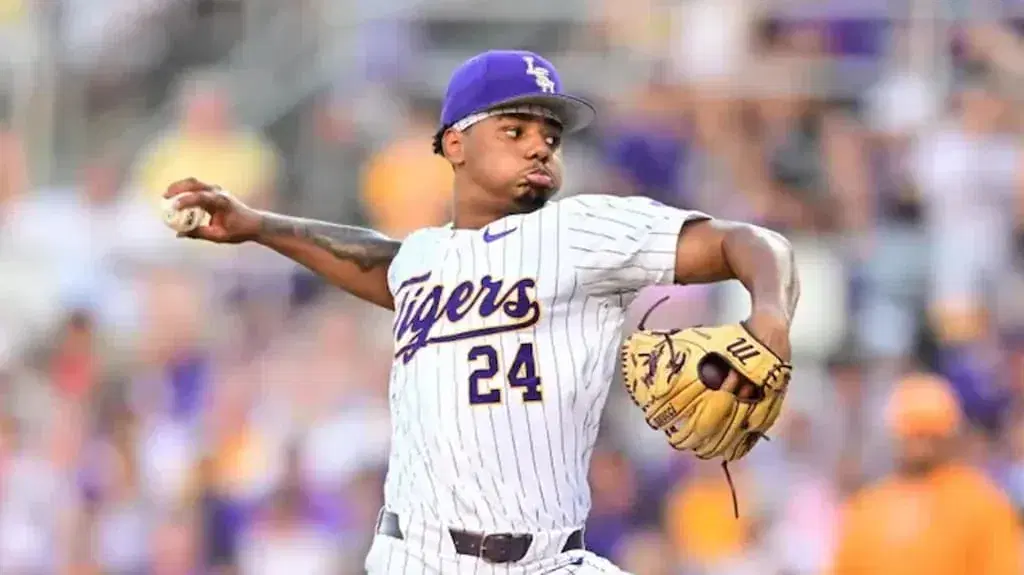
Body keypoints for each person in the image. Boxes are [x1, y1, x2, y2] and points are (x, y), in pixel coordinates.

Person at [163, 49, 799, 574]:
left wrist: (769, 318)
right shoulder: (423, 258)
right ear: (455, 144)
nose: (540, 148)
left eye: (550, 137)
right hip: (415, 557)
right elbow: (383, 263)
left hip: (549, 560)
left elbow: (753, 243)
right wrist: (259, 225)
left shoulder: (581, 231)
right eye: (515, 131)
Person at [829, 372, 1022, 575]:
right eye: (912, 433)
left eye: (929, 434)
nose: (920, 445)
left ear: (951, 437)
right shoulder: (869, 506)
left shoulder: (982, 504)